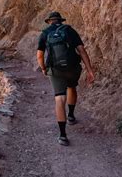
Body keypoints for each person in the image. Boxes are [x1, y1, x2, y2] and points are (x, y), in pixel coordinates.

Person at [36, 11, 95, 146]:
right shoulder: (70, 31)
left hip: (55, 70)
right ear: (60, 21)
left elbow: (39, 55)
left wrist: (44, 68)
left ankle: (63, 135)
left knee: (59, 98)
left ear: (49, 21)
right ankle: (71, 116)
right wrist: (90, 70)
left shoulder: (45, 33)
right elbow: (82, 51)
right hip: (72, 68)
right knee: (71, 87)